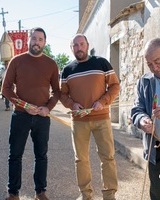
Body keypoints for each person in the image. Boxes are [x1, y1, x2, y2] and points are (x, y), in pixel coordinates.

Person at [2, 27, 60, 200]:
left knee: (41, 155)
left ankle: (40, 191)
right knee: (15, 155)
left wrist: (48, 108)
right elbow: (5, 88)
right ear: (29, 40)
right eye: (34, 38)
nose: (37, 42)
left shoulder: (51, 64)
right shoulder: (17, 61)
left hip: (42, 117)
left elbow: (57, 92)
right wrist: (23, 105)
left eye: (40, 39)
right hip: (20, 115)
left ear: (45, 42)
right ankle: (13, 193)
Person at [60, 34, 120, 200]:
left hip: (102, 119)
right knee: (81, 159)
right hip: (79, 121)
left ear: (87, 45)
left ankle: (109, 195)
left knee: (107, 157)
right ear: (71, 48)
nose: (79, 47)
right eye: (75, 45)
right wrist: (72, 105)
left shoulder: (101, 63)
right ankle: (85, 195)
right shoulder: (67, 70)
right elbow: (62, 95)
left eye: (81, 44)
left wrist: (103, 101)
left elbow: (115, 86)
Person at [131, 38, 160, 200]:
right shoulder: (144, 82)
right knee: (156, 190)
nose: (154, 68)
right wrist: (142, 121)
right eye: (149, 64)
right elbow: (137, 110)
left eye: (158, 61)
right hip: (155, 146)